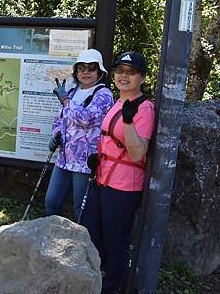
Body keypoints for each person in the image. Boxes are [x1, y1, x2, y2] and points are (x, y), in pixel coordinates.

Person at [81, 51, 156, 294]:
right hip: (103, 178)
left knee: (116, 241)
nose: (124, 76)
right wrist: (98, 157)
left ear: (141, 77)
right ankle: (99, 277)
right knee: (91, 230)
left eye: (131, 72)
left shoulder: (144, 108)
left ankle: (112, 287)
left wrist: (129, 122)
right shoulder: (118, 101)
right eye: (120, 71)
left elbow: (137, 153)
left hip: (124, 186)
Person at [45, 49, 114, 219]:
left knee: (81, 210)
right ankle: (51, 238)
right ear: (76, 72)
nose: (86, 72)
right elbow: (60, 119)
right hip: (64, 159)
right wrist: (55, 135)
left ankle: (82, 243)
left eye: (91, 68)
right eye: (81, 68)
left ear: (99, 71)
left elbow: (86, 119)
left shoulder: (103, 95)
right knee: (51, 201)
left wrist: (65, 101)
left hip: (85, 164)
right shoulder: (72, 92)